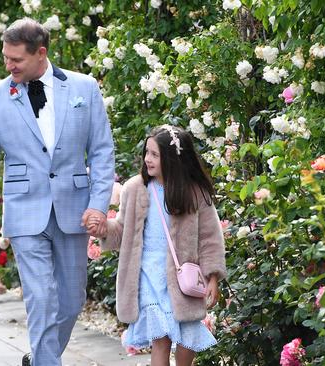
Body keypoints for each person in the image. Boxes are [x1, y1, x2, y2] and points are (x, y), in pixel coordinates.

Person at [0, 18, 115, 366]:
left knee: (71, 300)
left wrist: (98, 205)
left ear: (41, 53)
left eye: (16, 59)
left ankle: (40, 358)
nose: (8, 65)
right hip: (24, 210)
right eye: (5, 57)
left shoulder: (83, 87)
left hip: (74, 208)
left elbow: (102, 152)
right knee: (41, 298)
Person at [87, 125, 226, 366]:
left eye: (154, 154)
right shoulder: (135, 189)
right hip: (147, 275)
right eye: (146, 153)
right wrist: (104, 229)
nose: (147, 159)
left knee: (187, 339)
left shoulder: (195, 193)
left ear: (172, 160)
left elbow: (210, 238)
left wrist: (213, 277)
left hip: (182, 276)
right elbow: (121, 229)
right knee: (160, 339)